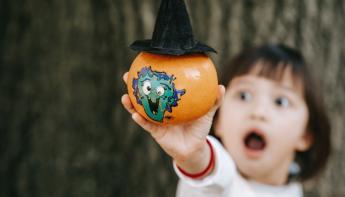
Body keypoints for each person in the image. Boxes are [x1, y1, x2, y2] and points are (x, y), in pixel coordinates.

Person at [121, 44, 331, 197]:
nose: (258, 112)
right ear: (218, 120)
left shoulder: (293, 191)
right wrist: (194, 158)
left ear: (305, 135)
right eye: (244, 96)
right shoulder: (208, 184)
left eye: (280, 101)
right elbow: (216, 175)